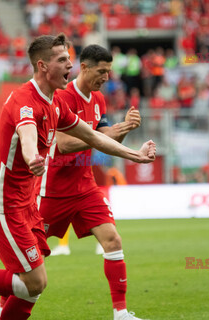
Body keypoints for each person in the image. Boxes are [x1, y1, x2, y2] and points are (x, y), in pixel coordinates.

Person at [0, 34, 156, 320]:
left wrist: (136, 154)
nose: (69, 65)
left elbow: (93, 136)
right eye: (62, 60)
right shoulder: (25, 100)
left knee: (32, 287)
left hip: (27, 203)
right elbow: (28, 132)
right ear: (43, 66)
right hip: (3, 203)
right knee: (34, 282)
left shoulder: (56, 101)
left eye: (69, 59)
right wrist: (33, 155)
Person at [35, 44, 145, 320]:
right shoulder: (62, 96)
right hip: (54, 189)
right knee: (33, 255)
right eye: (102, 71)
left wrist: (125, 128)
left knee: (112, 240)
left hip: (85, 187)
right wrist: (113, 132)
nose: (107, 77)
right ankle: (3, 306)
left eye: (109, 71)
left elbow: (103, 137)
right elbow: (64, 143)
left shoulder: (98, 100)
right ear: (84, 67)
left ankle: (120, 313)